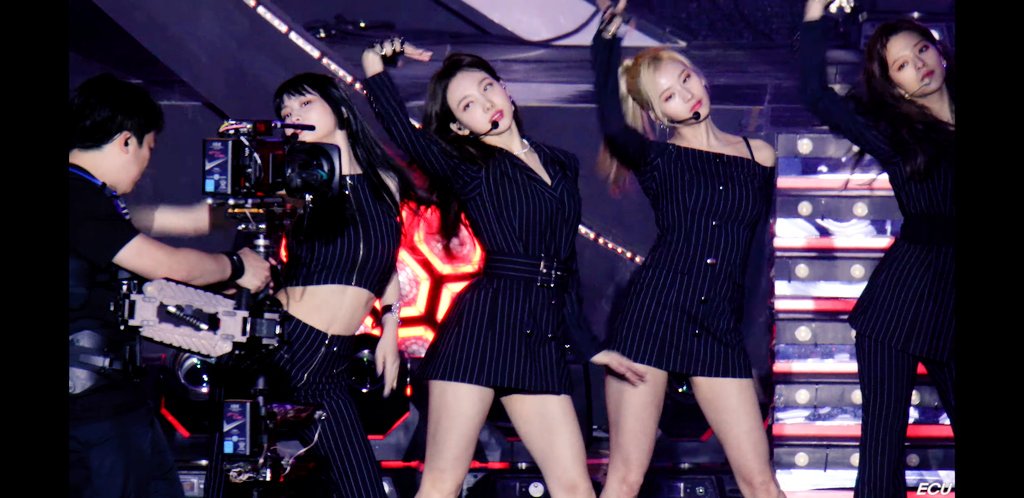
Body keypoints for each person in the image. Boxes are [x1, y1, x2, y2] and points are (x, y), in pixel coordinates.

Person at [361, 37, 643, 498]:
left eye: (487, 88)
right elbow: (403, 132)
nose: (486, 103)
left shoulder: (561, 163)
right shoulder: (469, 166)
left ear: (505, 88)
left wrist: (589, 346)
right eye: (468, 105)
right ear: (460, 127)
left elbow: (564, 266)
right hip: (481, 332)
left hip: (539, 337)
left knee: (575, 488)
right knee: (442, 485)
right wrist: (374, 66)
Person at [590, 3, 784, 497]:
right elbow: (612, 123)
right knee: (626, 477)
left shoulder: (759, 155)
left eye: (686, 79)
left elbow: (755, 260)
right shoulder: (656, 158)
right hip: (653, 317)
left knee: (761, 482)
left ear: (700, 74)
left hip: (717, 327)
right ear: (658, 114)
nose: (687, 94)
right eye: (669, 96)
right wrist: (606, 38)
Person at [69, 73, 271, 498]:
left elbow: (162, 246)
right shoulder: (77, 196)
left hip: (113, 403)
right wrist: (237, 266)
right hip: (94, 415)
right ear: (126, 141)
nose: (147, 164)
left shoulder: (91, 198)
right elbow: (167, 265)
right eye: (149, 148)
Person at [800, 2, 956, 496]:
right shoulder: (896, 134)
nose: (919, 64)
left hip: (951, 306)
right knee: (881, 458)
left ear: (941, 52)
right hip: (898, 308)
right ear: (895, 86)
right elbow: (816, 96)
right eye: (902, 64)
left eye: (922, 49)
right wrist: (815, 14)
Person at [267, 72, 429, 498]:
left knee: (361, 487)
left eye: (304, 104)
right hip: (285, 344)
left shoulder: (384, 182)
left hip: (331, 361)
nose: (293, 116)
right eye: (286, 112)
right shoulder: (297, 183)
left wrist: (391, 327)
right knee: (240, 474)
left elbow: (384, 264)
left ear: (339, 108)